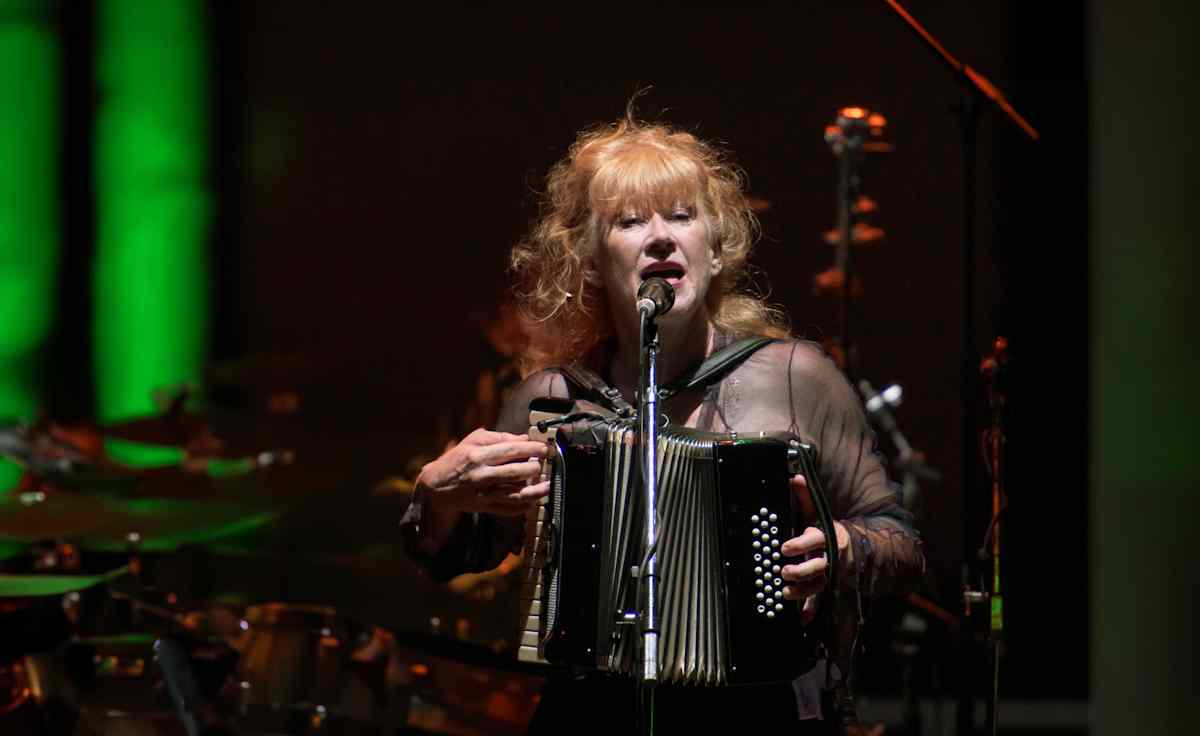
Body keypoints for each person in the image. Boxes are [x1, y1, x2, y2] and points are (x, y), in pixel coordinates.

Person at [400, 105, 924, 733]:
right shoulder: (553, 402)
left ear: (715, 248)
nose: (660, 238)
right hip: (590, 714)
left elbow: (901, 542)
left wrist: (843, 547)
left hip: (754, 712)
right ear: (591, 261)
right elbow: (454, 555)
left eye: (682, 216)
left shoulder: (795, 376)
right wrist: (435, 495)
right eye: (629, 222)